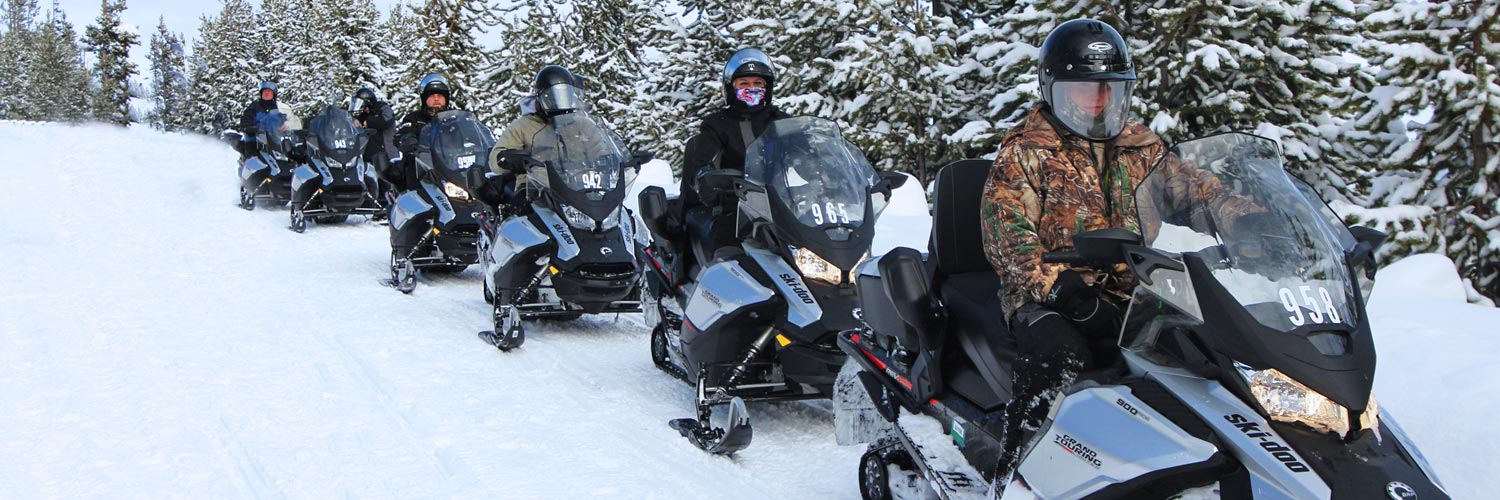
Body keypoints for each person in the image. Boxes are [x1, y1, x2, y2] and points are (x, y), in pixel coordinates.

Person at [979, 18, 1260, 479]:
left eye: (1109, 89)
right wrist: (1064, 290)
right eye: (1085, 90)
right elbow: (1006, 238)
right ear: (1056, 91)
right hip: (1048, 296)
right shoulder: (1027, 151)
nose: (1098, 101)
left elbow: (1196, 192)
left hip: (1138, 288)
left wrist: (1249, 222)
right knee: (1056, 356)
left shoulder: (1140, 146)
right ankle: (1017, 472)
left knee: (1205, 353)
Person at [673, 48, 792, 273]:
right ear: (731, 87)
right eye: (744, 84)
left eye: (758, 83)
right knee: (730, 258)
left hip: (783, 208)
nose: (752, 88)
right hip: (736, 208)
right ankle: (728, 301)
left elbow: (805, 156)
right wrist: (708, 178)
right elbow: (702, 161)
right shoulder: (717, 124)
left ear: (767, 88)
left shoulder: (782, 123)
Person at [388, 74, 455, 191]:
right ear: (424, 98)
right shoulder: (414, 119)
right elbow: (402, 134)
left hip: (450, 168)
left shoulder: (453, 120)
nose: (436, 99)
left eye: (440, 95)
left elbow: (467, 135)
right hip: (422, 171)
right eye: (432, 96)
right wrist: (409, 141)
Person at [238, 81, 281, 159]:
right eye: (264, 91)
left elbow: (283, 121)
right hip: (255, 139)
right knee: (253, 152)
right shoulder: (255, 106)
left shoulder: (278, 108)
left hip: (273, 140)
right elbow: (246, 118)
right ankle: (252, 168)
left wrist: (289, 127)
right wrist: (249, 127)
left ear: (273, 95)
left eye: (269, 92)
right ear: (261, 93)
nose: (266, 93)